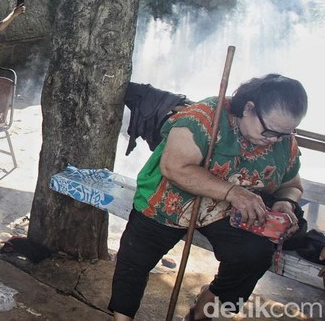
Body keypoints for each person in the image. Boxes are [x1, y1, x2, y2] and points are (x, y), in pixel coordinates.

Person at [109, 74, 309, 320]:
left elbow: (292, 184)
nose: (274, 141)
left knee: (253, 255)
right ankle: (122, 317)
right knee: (135, 256)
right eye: (269, 132)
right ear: (249, 109)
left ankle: (203, 310)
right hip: (171, 199)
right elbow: (174, 167)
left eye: (284, 134)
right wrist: (234, 192)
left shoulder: (281, 140)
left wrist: (285, 202)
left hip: (226, 211)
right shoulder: (202, 119)